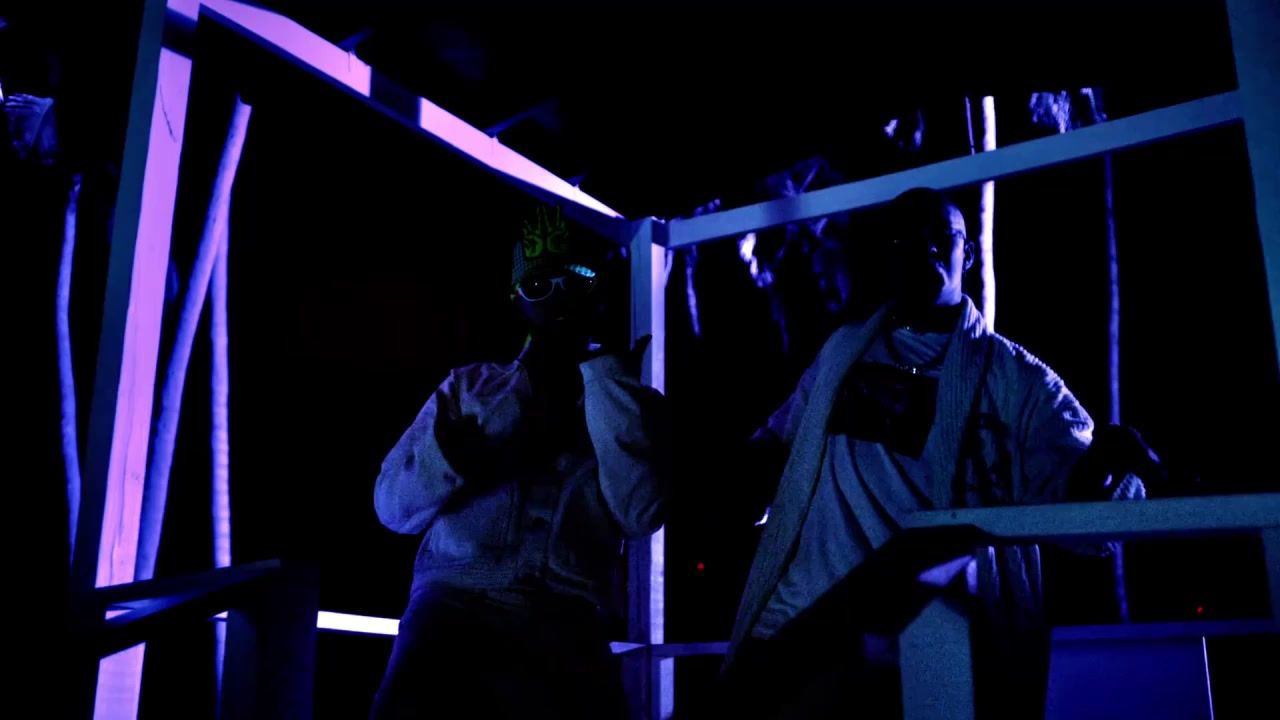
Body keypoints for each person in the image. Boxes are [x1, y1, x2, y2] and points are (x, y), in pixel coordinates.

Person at [709, 188, 1162, 719]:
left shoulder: (1018, 380)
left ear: (966, 254)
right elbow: (776, 450)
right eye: (905, 239)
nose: (923, 249)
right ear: (887, 254)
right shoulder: (841, 353)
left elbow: (1084, 513)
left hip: (923, 642)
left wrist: (1107, 472)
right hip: (803, 622)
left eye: (939, 238)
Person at [370, 206, 671, 720]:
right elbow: (390, 507)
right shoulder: (469, 387)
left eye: (577, 277)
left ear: (597, 291)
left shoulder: (626, 401)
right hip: (452, 609)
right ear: (516, 300)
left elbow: (641, 513)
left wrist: (608, 380)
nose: (558, 296)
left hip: (566, 620)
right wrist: (451, 458)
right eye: (537, 284)